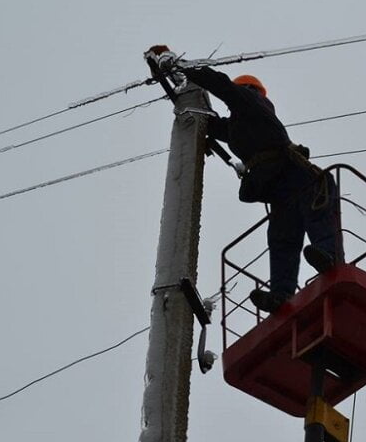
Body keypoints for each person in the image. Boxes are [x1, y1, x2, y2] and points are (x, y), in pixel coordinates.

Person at [147, 46, 343, 314]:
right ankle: (282, 294)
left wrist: (181, 66)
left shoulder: (253, 104)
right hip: (280, 185)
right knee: (282, 237)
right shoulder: (238, 125)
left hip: (293, 175)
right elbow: (212, 125)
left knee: (307, 218)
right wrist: (185, 106)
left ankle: (328, 257)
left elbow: (222, 86)